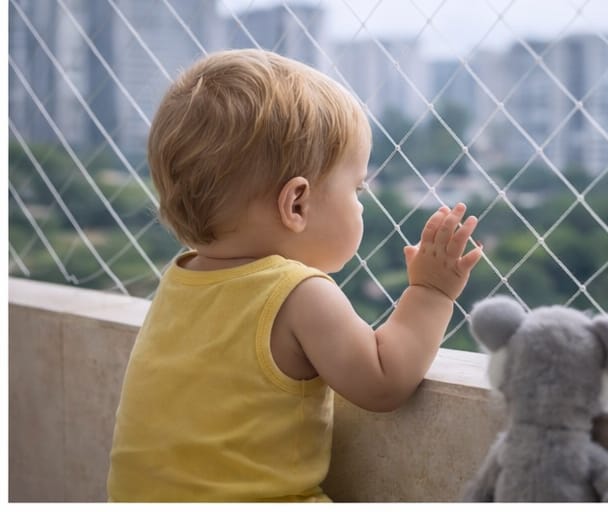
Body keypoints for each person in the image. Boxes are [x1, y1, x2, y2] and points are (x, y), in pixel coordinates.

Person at [107, 49, 483, 502]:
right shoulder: (296, 293)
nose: (361, 203)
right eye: (357, 189)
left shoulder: (180, 279)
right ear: (296, 204)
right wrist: (431, 290)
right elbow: (383, 380)